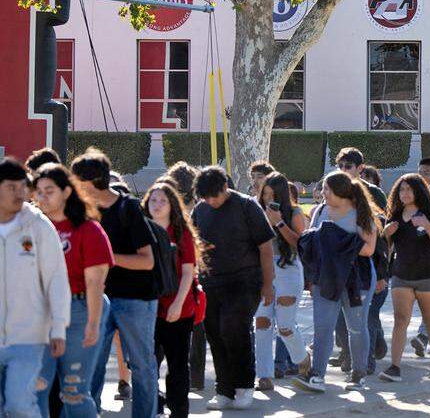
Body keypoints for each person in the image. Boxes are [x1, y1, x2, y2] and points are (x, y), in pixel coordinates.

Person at [70, 150, 158, 418]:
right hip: (98, 297)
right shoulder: (82, 214)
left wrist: (106, 257)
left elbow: (147, 261)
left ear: (90, 181)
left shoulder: (128, 208)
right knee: (93, 363)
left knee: (142, 364)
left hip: (136, 298)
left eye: (75, 181)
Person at [191, 166, 276, 409]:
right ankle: (224, 390)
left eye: (214, 196)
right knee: (216, 334)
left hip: (245, 280)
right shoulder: (200, 210)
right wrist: (200, 247)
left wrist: (268, 284)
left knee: (234, 328)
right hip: (210, 281)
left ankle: (244, 386)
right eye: (205, 197)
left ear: (225, 187)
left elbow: (265, 247)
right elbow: (190, 240)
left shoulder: (246, 205)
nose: (210, 201)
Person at [30, 163, 110, 418]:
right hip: (39, 314)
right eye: (38, 191)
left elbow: (95, 282)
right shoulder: (31, 229)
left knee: (73, 392)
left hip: (79, 310)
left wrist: (94, 323)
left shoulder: (88, 229)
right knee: (34, 389)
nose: (42, 197)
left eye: (49, 190)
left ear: (66, 192)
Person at [293, 172, 378, 392]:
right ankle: (317, 375)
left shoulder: (361, 213)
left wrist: (337, 241)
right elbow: (314, 243)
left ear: (341, 192)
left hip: (355, 279)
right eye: (323, 190)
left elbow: (369, 249)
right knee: (322, 328)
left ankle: (358, 373)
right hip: (326, 277)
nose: (323, 193)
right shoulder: (320, 211)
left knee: (357, 328)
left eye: (327, 190)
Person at [0, 157, 70, 418]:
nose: (19, 193)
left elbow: (56, 278)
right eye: (10, 187)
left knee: (19, 405)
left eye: (22, 187)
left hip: (28, 337)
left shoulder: (39, 227)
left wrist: (58, 327)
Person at [379, 174, 430, 382]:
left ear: (419, 191)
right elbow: (387, 246)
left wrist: (426, 225)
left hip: (429, 276)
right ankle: (394, 367)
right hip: (401, 275)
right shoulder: (395, 214)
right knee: (401, 320)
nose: (405, 193)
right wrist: (387, 233)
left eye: (409, 189)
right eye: (401, 190)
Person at [143, 181, 201, 418]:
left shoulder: (181, 233)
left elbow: (188, 272)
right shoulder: (141, 230)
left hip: (179, 308)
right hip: (147, 307)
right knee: (147, 363)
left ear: (172, 205)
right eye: (153, 200)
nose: (157, 205)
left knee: (177, 365)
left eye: (162, 201)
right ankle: (153, 406)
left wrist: (177, 304)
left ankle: (178, 411)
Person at [250, 169, 308, 392]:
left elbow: (299, 244)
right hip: (263, 271)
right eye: (265, 194)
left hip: (288, 270)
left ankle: (302, 359)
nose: (268, 199)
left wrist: (279, 223)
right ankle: (264, 375)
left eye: (273, 194)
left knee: (284, 325)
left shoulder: (293, 212)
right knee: (262, 323)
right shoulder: (255, 211)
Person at [328, 149, 386, 374]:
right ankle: (347, 353)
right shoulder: (332, 192)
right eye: (340, 165)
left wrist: (381, 273)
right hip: (339, 269)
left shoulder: (373, 193)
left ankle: (366, 358)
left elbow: (381, 238)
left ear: (360, 168)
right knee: (340, 320)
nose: (344, 170)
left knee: (364, 317)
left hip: (365, 265)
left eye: (348, 166)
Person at [356, 166, 390, 372]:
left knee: (368, 316)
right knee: (357, 320)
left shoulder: (377, 219)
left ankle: (367, 361)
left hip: (373, 275)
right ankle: (377, 343)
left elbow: (383, 251)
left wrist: (381, 277)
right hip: (349, 276)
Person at [409, 157, 430, 359]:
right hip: (415, 253)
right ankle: (425, 336)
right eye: (420, 172)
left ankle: (424, 335)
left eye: (427, 173)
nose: (422, 176)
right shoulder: (411, 193)